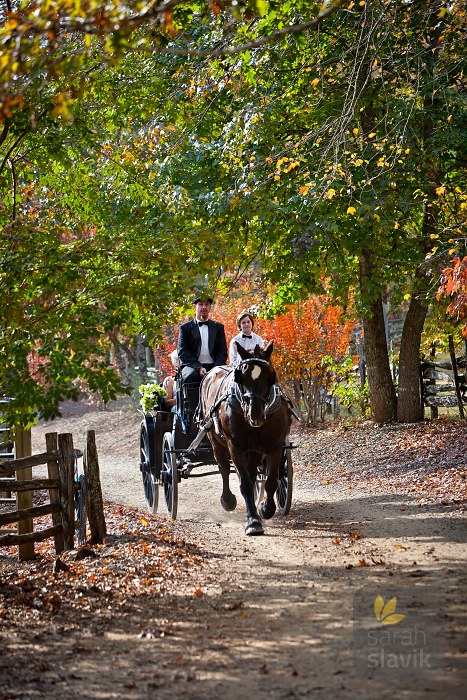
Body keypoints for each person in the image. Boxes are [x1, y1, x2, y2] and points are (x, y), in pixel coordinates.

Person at [177, 295, 228, 411]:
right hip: (192, 366)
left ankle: (223, 413)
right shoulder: (185, 328)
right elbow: (183, 352)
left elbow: (222, 351)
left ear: (210, 307)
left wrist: (215, 369)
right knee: (191, 376)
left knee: (228, 377)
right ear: (195, 307)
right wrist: (198, 367)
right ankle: (195, 414)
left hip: (214, 365)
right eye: (200, 304)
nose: (204, 307)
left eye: (206, 305)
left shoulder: (218, 327)